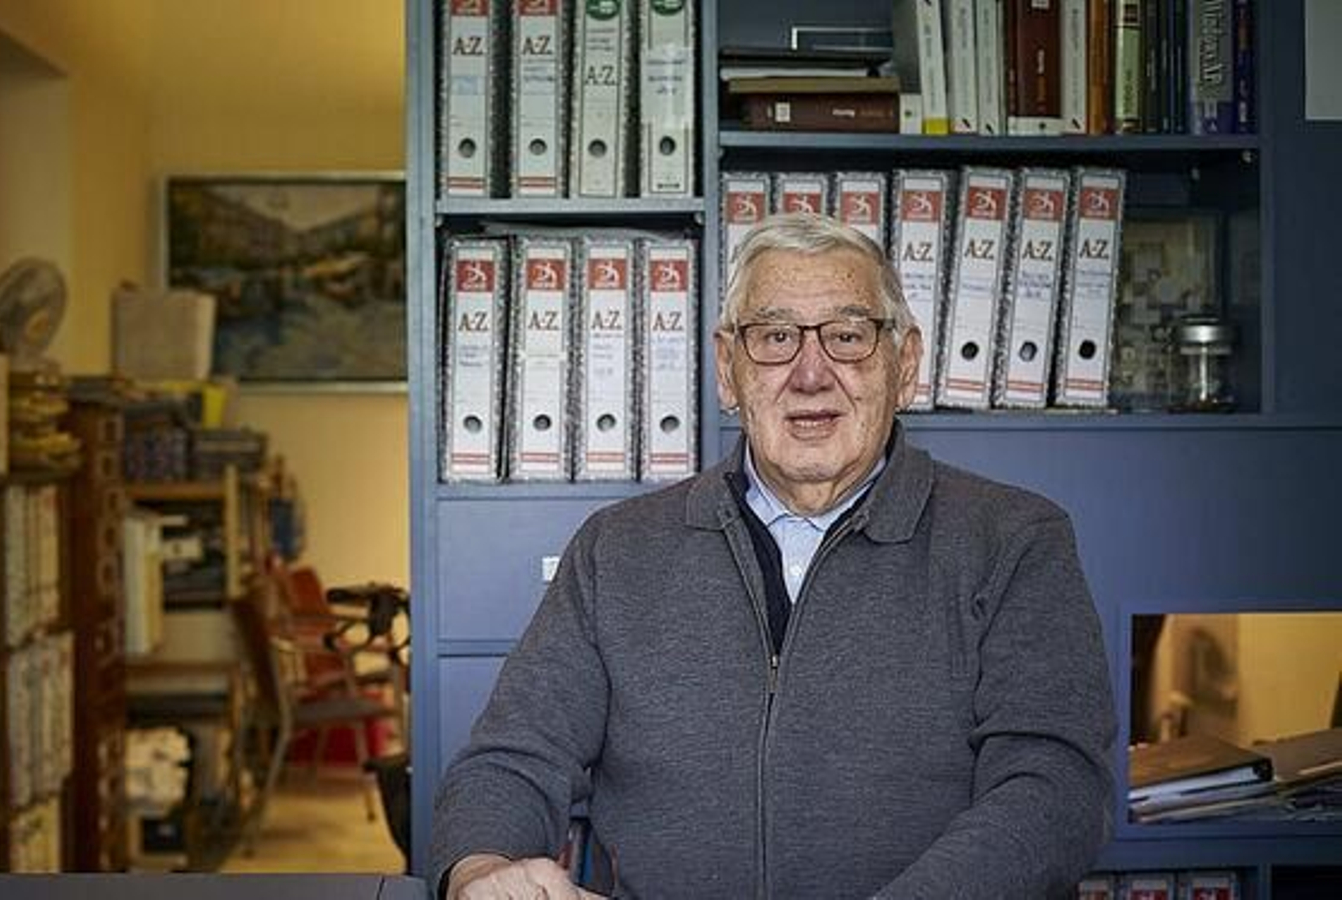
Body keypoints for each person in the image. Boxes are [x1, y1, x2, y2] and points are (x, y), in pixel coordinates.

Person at [430, 213, 1117, 899]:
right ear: (728, 369)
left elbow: (1054, 788)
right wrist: (484, 871)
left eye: (847, 337)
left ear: (904, 364)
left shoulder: (1015, 539)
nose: (810, 373)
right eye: (775, 338)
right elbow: (510, 760)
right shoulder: (616, 551)